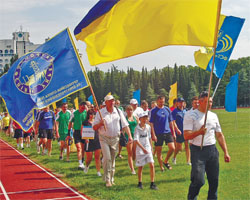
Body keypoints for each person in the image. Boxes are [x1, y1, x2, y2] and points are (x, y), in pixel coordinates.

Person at [183, 91, 231, 200]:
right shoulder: (191, 115)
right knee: (199, 181)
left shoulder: (213, 116)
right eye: (207, 102)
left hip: (212, 150)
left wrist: (226, 152)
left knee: (214, 181)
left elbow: (219, 135)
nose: (210, 104)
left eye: (211, 102)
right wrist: (199, 132)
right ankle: (191, 197)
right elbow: (186, 136)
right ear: (200, 102)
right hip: (198, 150)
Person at [93, 95, 133, 187]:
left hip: (115, 138)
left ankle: (111, 178)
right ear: (105, 102)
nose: (112, 103)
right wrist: (100, 124)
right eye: (110, 101)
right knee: (107, 158)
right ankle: (107, 180)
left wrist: (130, 136)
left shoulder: (118, 111)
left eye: (113, 101)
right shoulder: (101, 112)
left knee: (112, 159)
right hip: (104, 138)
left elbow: (125, 125)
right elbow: (94, 127)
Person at [149, 95, 175, 171]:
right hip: (158, 133)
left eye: (163, 102)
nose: (162, 103)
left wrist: (173, 132)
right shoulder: (154, 111)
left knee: (172, 148)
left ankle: (166, 161)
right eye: (160, 102)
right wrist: (153, 134)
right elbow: (151, 123)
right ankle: (161, 167)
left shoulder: (167, 109)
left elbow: (171, 121)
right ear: (157, 101)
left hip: (167, 132)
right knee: (159, 151)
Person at [134, 112, 158, 190]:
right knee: (141, 167)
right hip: (140, 150)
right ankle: (140, 183)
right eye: (143, 118)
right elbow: (136, 140)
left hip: (147, 149)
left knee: (152, 165)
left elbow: (149, 137)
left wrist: (151, 147)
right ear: (140, 119)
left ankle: (152, 183)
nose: (145, 119)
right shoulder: (137, 128)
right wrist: (143, 149)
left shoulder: (148, 127)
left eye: (146, 118)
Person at [117, 105, 138, 174]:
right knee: (130, 153)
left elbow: (138, 126)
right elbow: (123, 128)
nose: (130, 111)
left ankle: (131, 163)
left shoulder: (136, 118)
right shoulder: (124, 119)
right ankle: (132, 169)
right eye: (128, 110)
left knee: (134, 153)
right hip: (128, 137)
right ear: (126, 111)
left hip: (135, 136)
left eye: (131, 110)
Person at [82, 109, 102, 177]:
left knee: (97, 157)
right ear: (88, 115)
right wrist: (85, 138)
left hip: (97, 140)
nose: (92, 116)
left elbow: (100, 130)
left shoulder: (96, 122)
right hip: (89, 141)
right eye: (90, 114)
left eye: (93, 114)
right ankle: (87, 166)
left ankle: (98, 171)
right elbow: (83, 131)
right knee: (89, 158)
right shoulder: (85, 122)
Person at [68, 102, 88, 170]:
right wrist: (68, 133)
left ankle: (82, 161)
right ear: (79, 106)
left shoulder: (86, 113)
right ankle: (80, 163)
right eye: (82, 108)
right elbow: (70, 122)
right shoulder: (74, 113)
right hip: (77, 132)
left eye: (84, 108)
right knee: (79, 148)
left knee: (83, 149)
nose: (83, 109)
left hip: (84, 132)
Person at [171, 98, 190, 165]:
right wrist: (177, 129)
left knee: (187, 146)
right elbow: (173, 122)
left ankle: (188, 161)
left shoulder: (186, 111)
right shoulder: (175, 111)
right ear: (177, 103)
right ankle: (174, 157)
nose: (181, 103)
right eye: (180, 102)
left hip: (186, 130)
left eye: (182, 102)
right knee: (178, 147)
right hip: (179, 131)